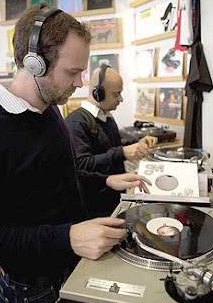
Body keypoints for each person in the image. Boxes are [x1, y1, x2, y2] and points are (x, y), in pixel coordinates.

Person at [0, 4, 151, 303]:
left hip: (69, 269)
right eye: (72, 72)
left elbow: (61, 174)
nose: (81, 83)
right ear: (34, 64)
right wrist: (68, 238)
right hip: (31, 292)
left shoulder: (49, 107)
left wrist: (108, 181)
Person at [65, 65, 158, 216]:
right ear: (98, 93)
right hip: (95, 209)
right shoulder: (76, 123)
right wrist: (122, 152)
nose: (121, 99)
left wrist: (137, 145)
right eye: (116, 94)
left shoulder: (106, 116)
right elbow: (81, 165)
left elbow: (112, 148)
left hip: (113, 200)